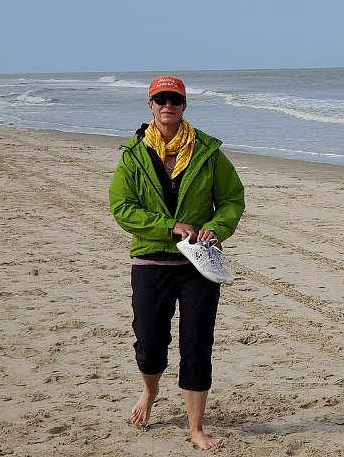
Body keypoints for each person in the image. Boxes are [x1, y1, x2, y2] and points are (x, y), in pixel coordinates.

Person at [109, 75, 245, 450]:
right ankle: (150, 392)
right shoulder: (133, 156)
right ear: (150, 106)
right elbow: (122, 208)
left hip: (199, 263)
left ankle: (196, 428)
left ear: (184, 106)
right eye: (160, 99)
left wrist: (216, 228)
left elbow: (233, 199)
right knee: (150, 345)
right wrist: (168, 227)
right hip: (150, 261)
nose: (167, 105)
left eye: (175, 99)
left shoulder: (208, 153)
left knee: (197, 344)